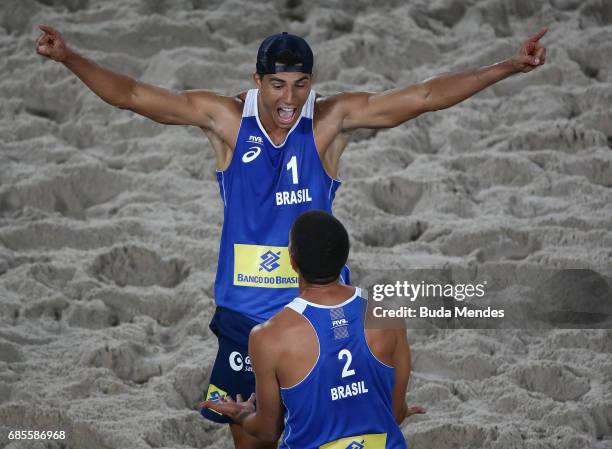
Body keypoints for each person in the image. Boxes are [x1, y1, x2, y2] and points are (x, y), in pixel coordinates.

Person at [35, 25, 546, 449]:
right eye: (278, 85)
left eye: (301, 84)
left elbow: (425, 96)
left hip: (317, 313)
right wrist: (69, 58)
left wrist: (506, 66)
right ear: (257, 81)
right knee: (255, 438)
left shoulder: (329, 122)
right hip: (245, 316)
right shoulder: (227, 121)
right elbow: (131, 96)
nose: (290, 98)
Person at [201, 210, 426, 448]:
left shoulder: (268, 337)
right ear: (344, 258)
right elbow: (395, 414)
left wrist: (242, 415)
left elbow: (268, 431)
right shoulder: (389, 316)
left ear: (292, 262)